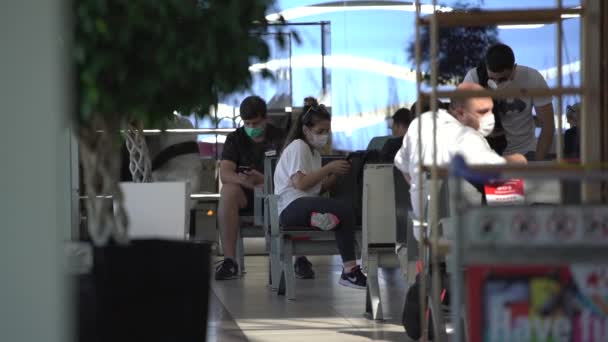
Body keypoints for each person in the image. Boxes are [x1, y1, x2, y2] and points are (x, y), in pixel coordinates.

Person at [394, 82, 527, 241]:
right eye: (482, 112)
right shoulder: (466, 136)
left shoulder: (415, 129)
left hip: (424, 234)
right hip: (466, 230)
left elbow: (402, 164)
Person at [274, 101, 367, 289]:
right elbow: (300, 184)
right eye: (320, 131)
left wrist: (336, 175)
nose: (324, 135)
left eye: (327, 131)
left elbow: (316, 188)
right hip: (290, 207)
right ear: (306, 130)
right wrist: (329, 168)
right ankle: (349, 270)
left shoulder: (313, 153)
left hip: (305, 204)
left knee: (341, 213)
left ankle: (320, 219)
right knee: (344, 210)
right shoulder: (298, 146)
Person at [215, 95, 285, 280]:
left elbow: (290, 175)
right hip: (246, 195)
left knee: (292, 191)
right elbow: (225, 173)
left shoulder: (280, 138)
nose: (252, 128)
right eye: (248, 124)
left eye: (256, 123)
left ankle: (299, 258)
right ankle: (230, 261)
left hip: (275, 194)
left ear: (265, 118)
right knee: (228, 191)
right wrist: (245, 181)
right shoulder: (235, 138)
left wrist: (263, 180)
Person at [464, 43, 555, 161]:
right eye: (492, 79)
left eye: (502, 79)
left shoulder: (532, 78)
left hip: (525, 152)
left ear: (514, 68)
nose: (497, 84)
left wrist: (537, 163)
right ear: (486, 68)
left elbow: (548, 125)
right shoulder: (473, 78)